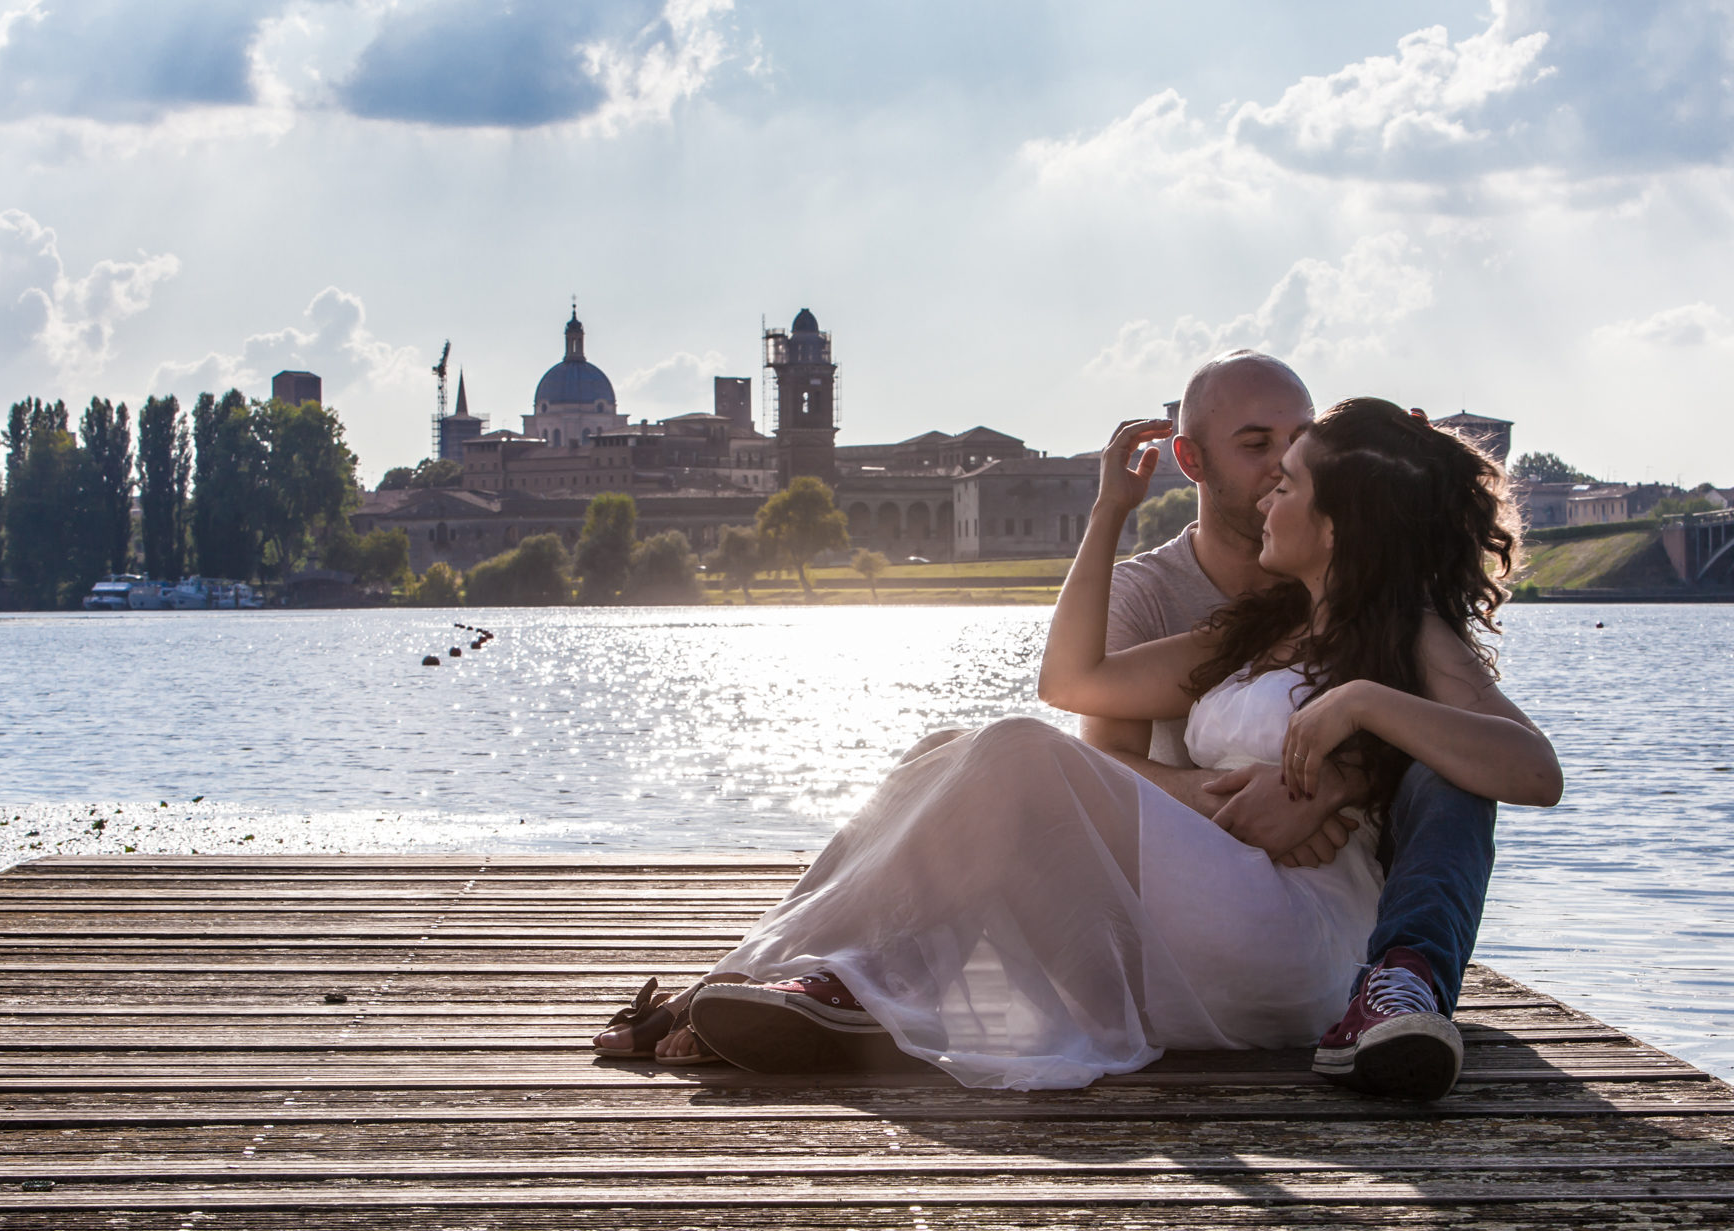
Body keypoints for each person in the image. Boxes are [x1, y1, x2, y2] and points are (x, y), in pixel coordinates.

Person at [595, 395, 1561, 1097]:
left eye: (1291, 483)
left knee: (1015, 748)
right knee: (947, 745)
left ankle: (840, 977)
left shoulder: (1411, 638)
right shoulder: (1260, 629)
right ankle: (763, 980)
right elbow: (1073, 684)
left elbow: (1533, 772)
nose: (1269, 495)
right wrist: (1108, 514)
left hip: (1297, 944)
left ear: (1341, 522)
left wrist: (1361, 709)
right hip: (1207, 911)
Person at [1082, 351, 1509, 1099]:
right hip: (1198, 874)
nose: (1280, 468)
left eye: (1301, 448)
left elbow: (1508, 760)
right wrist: (1245, 801)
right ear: (1192, 460)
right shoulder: (1209, 614)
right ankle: (854, 966)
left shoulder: (1391, 615)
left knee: (1453, 768)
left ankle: (1402, 979)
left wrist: (1339, 769)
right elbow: (1094, 750)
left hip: (1332, 894)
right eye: (1257, 447)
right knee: (972, 756)